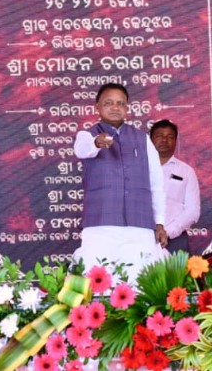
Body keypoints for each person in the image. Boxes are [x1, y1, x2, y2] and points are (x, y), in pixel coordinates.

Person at [73, 83, 167, 282]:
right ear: (97, 107)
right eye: (109, 103)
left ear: (127, 108)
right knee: (97, 282)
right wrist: (96, 143)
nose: (115, 107)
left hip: (139, 225)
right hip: (100, 224)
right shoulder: (87, 135)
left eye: (120, 103)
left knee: (139, 282)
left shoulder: (143, 139)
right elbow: (82, 149)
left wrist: (159, 223)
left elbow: (156, 183)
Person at [150, 119, 200, 254]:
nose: (164, 140)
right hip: (140, 238)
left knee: (176, 270)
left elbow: (193, 211)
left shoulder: (186, 171)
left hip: (174, 239)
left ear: (176, 141)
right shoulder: (137, 169)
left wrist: (168, 232)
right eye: (159, 136)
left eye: (170, 137)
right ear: (150, 140)